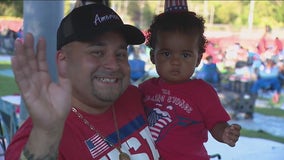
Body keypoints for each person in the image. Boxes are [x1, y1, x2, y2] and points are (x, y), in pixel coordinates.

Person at [5, 4, 160, 160]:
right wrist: (46, 135)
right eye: (98, 52)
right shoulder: (40, 134)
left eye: (120, 54)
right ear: (63, 61)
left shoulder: (134, 97)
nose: (113, 65)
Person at [138, 1, 241, 159]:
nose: (175, 61)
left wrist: (225, 133)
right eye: (166, 53)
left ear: (198, 59)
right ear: (153, 56)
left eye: (185, 55)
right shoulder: (144, 89)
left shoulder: (202, 92)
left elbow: (216, 123)